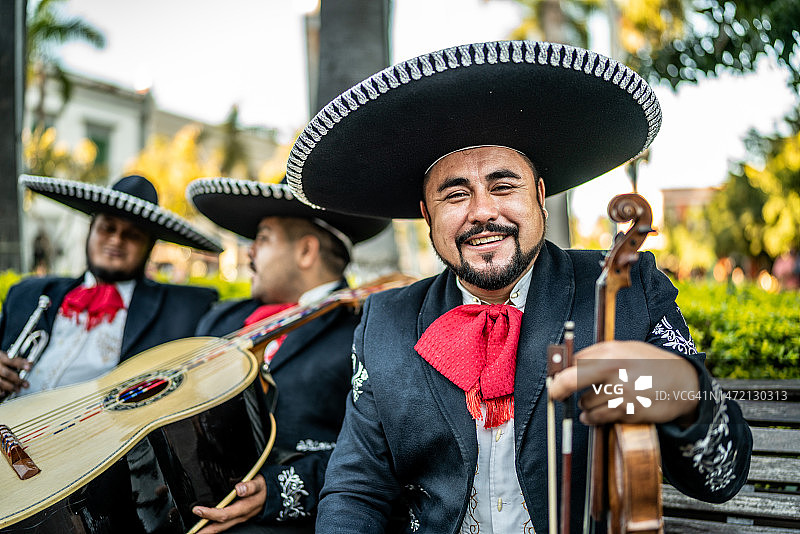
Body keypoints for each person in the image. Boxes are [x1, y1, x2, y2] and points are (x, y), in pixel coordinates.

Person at [284, 40, 753, 533]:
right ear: (427, 216)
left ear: (540, 197)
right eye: (455, 195)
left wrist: (684, 393)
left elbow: (721, 479)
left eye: (503, 186)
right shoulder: (384, 323)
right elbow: (355, 488)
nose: (483, 211)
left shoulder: (628, 291)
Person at [186, 177, 390, 533]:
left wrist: (277, 490)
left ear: (306, 251)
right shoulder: (219, 319)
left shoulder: (370, 329)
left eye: (263, 238)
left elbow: (387, 454)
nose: (249, 252)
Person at [0, 173, 222, 398]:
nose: (116, 240)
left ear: (149, 247)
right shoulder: (27, 294)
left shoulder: (182, 309)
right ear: (91, 229)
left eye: (133, 235)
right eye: (107, 228)